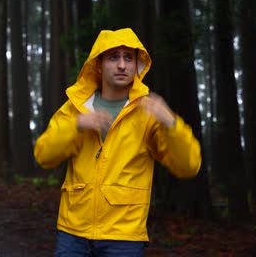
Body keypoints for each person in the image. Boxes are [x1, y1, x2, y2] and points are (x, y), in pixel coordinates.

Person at [34, 28, 202, 256]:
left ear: (136, 66)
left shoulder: (149, 112)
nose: (122, 65)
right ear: (99, 65)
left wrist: (171, 123)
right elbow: (44, 156)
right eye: (113, 57)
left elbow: (188, 166)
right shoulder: (76, 108)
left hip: (123, 239)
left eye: (128, 58)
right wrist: (77, 125)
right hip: (72, 234)